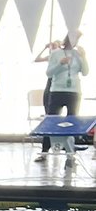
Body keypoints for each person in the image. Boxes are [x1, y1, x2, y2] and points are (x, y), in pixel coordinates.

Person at [35, 31, 89, 161]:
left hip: (74, 92)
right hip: (57, 91)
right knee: (51, 121)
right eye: (74, 38)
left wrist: (84, 57)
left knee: (71, 122)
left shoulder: (77, 54)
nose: (75, 41)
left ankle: (70, 153)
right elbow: (49, 73)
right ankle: (44, 151)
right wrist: (60, 64)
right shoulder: (56, 53)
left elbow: (85, 72)